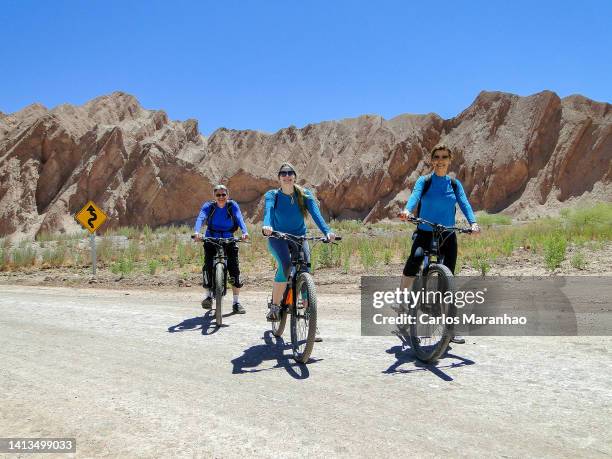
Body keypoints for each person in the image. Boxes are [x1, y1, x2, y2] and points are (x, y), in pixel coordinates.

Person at [399, 144, 480, 344]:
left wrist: (473, 223)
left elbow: (464, 203)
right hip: (425, 232)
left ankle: (449, 328)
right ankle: (402, 302)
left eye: (445, 156)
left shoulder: (454, 184)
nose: (441, 160)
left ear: (450, 159)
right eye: (437, 157)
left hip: (448, 235)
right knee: (415, 260)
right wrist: (407, 211)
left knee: (448, 280)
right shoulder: (424, 181)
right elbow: (414, 197)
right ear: (432, 160)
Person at [262, 163, 336, 341]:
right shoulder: (272, 195)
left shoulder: (305, 195)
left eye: (290, 173)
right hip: (277, 236)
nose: (287, 176)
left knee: (304, 272)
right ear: (279, 177)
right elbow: (268, 211)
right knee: (286, 265)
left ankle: (311, 322)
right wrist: (267, 225)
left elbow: (316, 215)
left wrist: (327, 231)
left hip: (299, 237)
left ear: (295, 177)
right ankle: (275, 306)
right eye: (283, 174)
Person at [193, 184, 249, 314]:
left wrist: (245, 232)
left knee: (234, 270)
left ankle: (236, 302)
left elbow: (239, 218)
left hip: (229, 239)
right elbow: (200, 218)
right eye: (218, 195)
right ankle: (208, 296)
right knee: (207, 266)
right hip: (211, 238)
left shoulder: (232, 205)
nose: (221, 197)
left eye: (223, 194)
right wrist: (197, 232)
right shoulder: (209, 206)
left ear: (227, 195)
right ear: (214, 196)